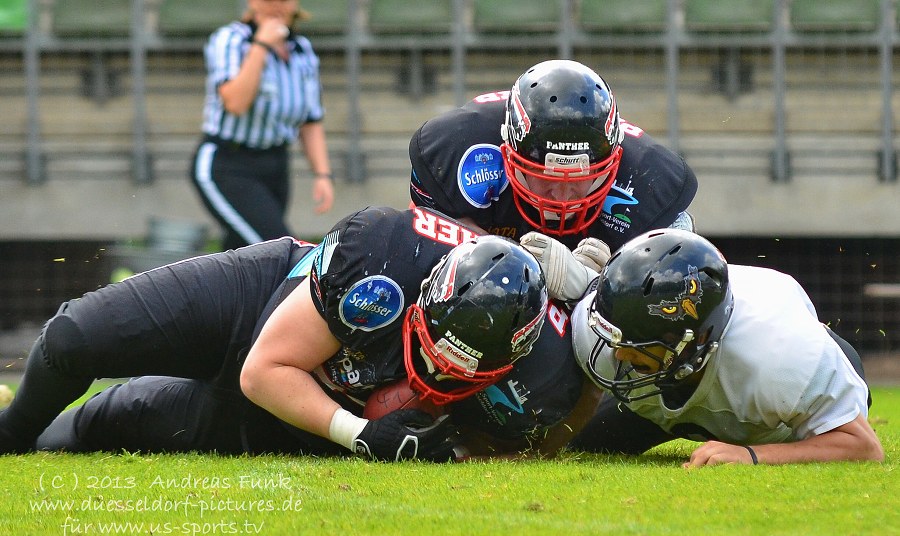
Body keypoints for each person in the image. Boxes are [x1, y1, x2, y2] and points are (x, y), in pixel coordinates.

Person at [0, 206, 583, 461]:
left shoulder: (543, 374)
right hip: (264, 301)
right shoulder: (379, 257)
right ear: (423, 300)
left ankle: (44, 439)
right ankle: (9, 434)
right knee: (73, 337)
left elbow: (553, 428)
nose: (434, 374)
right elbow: (263, 368)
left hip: (293, 420)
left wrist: (451, 451)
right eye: (431, 354)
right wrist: (363, 434)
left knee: (113, 421)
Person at [560, 228, 883, 466]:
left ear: (695, 340)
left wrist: (752, 456)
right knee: (580, 442)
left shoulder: (778, 357)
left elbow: (864, 447)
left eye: (638, 344)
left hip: (768, 407)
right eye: (617, 338)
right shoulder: (596, 333)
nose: (620, 354)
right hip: (672, 383)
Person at [408, 59, 698, 260]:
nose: (561, 196)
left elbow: (683, 273)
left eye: (579, 180)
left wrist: (599, 283)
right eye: (544, 177)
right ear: (508, 152)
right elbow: (421, 252)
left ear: (614, 161)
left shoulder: (649, 178)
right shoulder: (458, 150)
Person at [191, 0, 334, 250]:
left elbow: (310, 120)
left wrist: (322, 174)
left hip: (275, 165)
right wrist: (261, 45)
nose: (277, 5)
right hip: (228, 164)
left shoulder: (301, 50)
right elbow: (235, 102)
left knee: (243, 255)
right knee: (281, 249)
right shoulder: (231, 40)